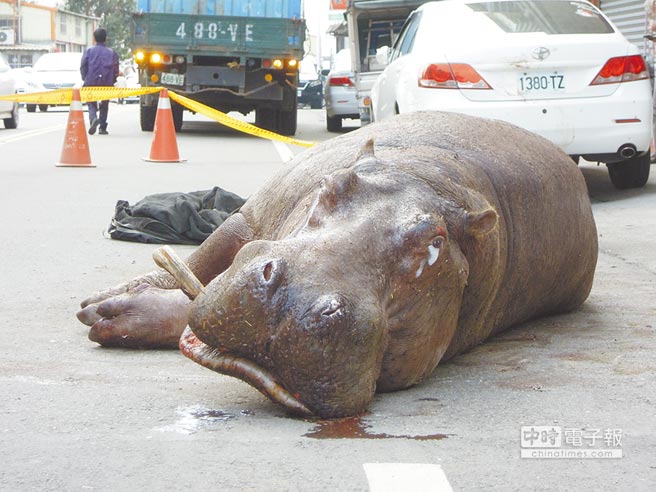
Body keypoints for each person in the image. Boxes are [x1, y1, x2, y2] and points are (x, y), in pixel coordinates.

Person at [80, 28, 119, 135]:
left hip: (91, 81)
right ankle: (102, 127)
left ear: (94, 39)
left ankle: (93, 118)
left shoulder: (89, 51)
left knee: (90, 102)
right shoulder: (112, 53)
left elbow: (83, 66)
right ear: (106, 39)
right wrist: (113, 80)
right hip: (107, 82)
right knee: (105, 103)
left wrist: (85, 78)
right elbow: (116, 69)